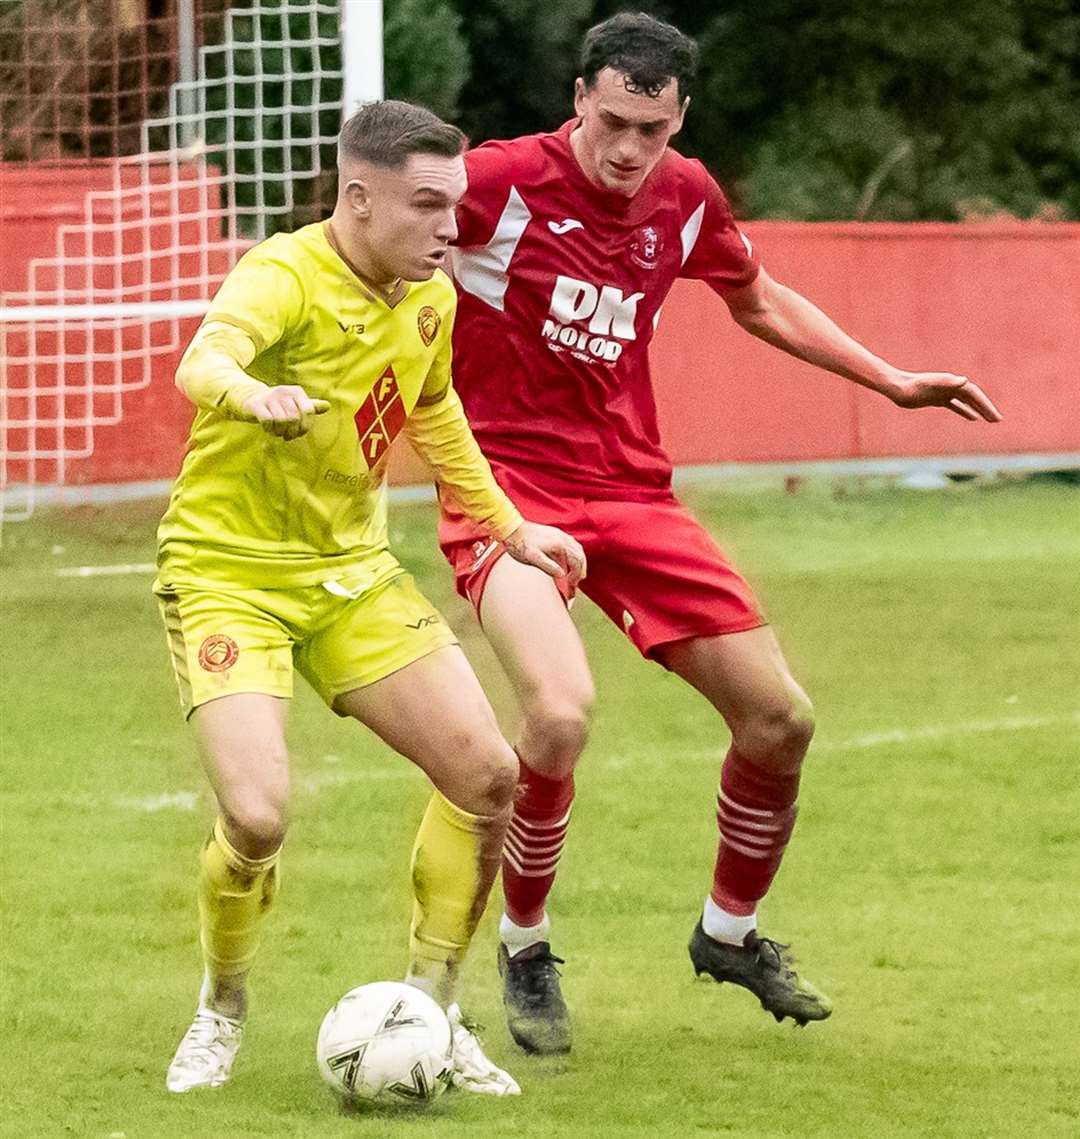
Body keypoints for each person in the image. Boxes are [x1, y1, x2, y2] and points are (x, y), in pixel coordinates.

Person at [439, 11, 1003, 1054]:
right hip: (507, 493)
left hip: (636, 496)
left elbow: (758, 296)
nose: (626, 150)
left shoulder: (685, 196)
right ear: (578, 100)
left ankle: (728, 932)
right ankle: (524, 945)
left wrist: (890, 379)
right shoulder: (498, 180)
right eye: (611, 122)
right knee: (558, 718)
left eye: (649, 131)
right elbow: (375, 235)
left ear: (678, 120)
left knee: (781, 719)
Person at [154, 98, 587, 1096]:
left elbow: (434, 412)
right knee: (257, 818)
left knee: (486, 774)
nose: (451, 228)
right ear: (358, 196)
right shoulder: (285, 273)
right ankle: (222, 1004)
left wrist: (512, 528)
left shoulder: (427, 297)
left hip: (351, 574)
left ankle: (431, 1004)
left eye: (458, 206)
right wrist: (248, 394)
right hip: (230, 575)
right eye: (428, 206)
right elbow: (202, 358)